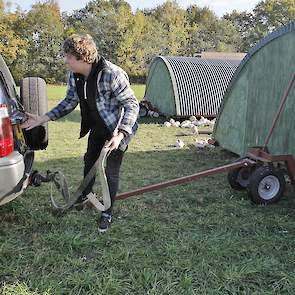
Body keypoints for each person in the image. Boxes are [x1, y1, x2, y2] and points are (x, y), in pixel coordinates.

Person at [21, 34, 139, 233]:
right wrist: (42, 118)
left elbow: (131, 104)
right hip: (97, 127)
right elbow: (69, 102)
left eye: (68, 56)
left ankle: (107, 212)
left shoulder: (112, 73)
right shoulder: (74, 76)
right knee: (89, 161)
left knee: (109, 170)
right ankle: (85, 195)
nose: (66, 60)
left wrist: (120, 134)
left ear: (82, 57)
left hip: (118, 127)